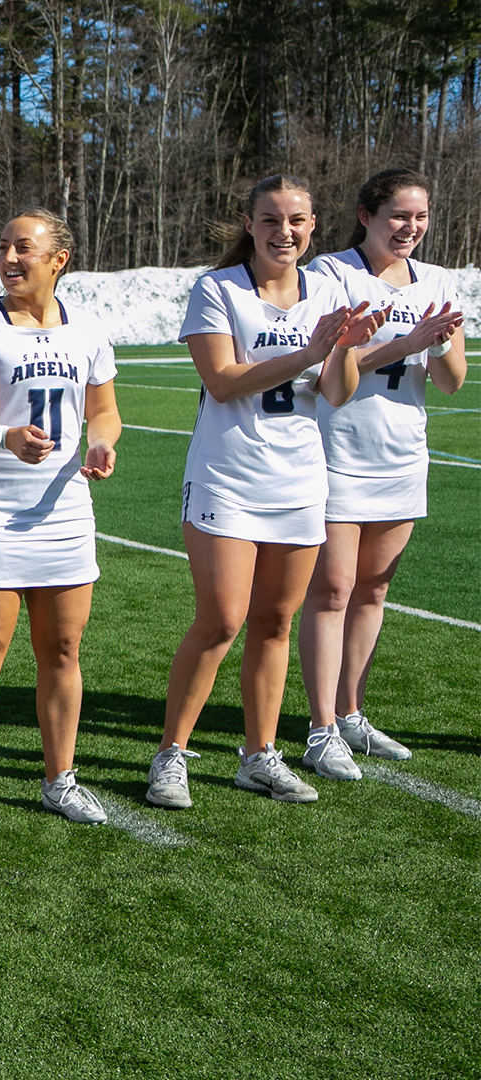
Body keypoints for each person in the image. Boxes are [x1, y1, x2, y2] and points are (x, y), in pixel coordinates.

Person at [147, 174, 378, 809]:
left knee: (276, 623)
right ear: (250, 225)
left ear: (313, 226)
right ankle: (171, 755)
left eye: (297, 221)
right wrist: (311, 350)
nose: (285, 232)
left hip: (300, 478)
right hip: (227, 475)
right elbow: (222, 382)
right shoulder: (216, 289)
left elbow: (336, 392)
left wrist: (345, 350)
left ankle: (259, 755)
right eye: (271, 220)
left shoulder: (329, 288)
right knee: (221, 619)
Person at [0, 210, 121, 833]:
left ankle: (60, 779)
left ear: (58, 259)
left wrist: (101, 443)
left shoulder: (87, 330)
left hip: (65, 510)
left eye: (25, 248)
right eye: (5, 246)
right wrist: (2, 436)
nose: (10, 257)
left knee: (63, 650)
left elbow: (105, 412)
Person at [299, 169, 466, 771]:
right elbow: (327, 377)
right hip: (337, 452)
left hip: (402, 454)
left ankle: (352, 715)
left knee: (373, 589)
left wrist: (442, 340)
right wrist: (404, 342)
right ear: (367, 215)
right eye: (399, 215)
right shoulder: (329, 274)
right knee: (333, 589)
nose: (410, 228)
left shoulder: (438, 281)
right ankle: (321, 732)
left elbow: (450, 383)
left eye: (420, 217)